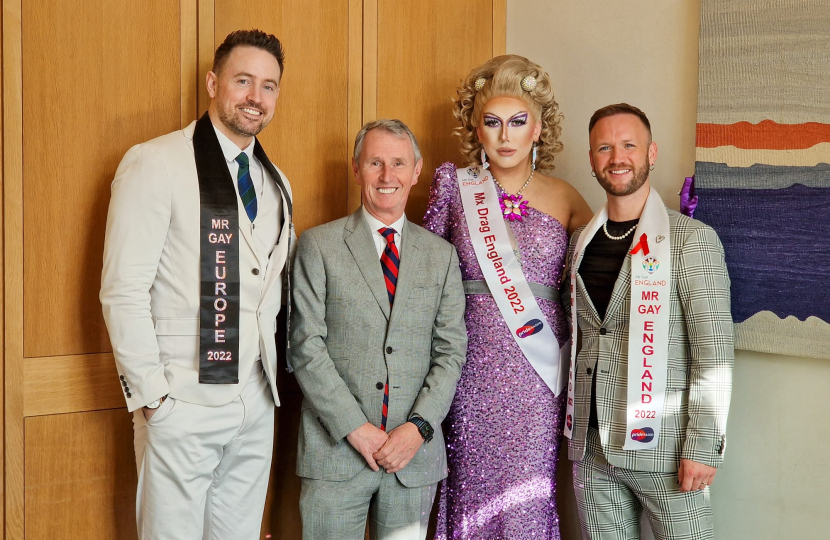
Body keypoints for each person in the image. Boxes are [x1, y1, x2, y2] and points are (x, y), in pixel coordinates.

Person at [100, 29, 294, 539]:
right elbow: (122, 289)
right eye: (244, 80)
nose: (256, 97)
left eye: (269, 86)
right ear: (213, 82)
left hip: (254, 400)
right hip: (181, 399)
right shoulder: (156, 162)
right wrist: (154, 399)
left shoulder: (277, 183)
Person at [423, 55, 592, 540]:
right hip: (469, 364)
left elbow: (596, 282)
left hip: (539, 374)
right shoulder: (454, 189)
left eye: (517, 122)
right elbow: (425, 278)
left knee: (529, 495)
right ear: (476, 128)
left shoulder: (566, 197)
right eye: (492, 123)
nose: (504, 136)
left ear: (538, 129)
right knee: (470, 489)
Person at [562, 103, 733, 540]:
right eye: (604, 147)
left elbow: (713, 350)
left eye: (628, 145)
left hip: (668, 447)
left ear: (651, 154)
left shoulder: (692, 239)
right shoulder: (581, 241)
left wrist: (703, 446)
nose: (617, 157)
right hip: (593, 445)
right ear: (592, 159)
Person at [290, 119, 468, 540]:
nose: (387, 177)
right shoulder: (318, 246)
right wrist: (357, 428)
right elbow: (304, 347)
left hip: (413, 459)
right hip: (335, 454)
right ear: (357, 169)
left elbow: (451, 352)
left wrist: (418, 429)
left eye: (398, 163)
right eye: (375, 163)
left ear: (416, 170)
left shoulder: (441, 256)